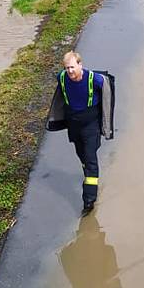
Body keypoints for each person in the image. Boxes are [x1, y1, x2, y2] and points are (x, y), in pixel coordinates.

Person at [46, 51, 115, 215]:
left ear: (80, 65)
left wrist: (106, 125)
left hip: (91, 125)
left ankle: (89, 201)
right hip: (74, 124)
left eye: (72, 67)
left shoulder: (94, 79)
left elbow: (108, 86)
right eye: (67, 68)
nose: (70, 71)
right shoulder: (61, 77)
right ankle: (89, 176)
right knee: (81, 155)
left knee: (91, 160)